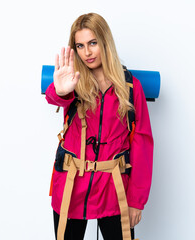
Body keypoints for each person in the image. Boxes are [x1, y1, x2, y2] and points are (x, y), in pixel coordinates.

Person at [45, 12, 153, 240]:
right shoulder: (72, 81)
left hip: (114, 187)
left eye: (93, 43)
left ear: (105, 42)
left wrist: (136, 201)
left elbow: (142, 143)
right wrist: (61, 90)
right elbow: (56, 98)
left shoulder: (131, 86)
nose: (87, 52)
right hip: (71, 184)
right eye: (80, 45)